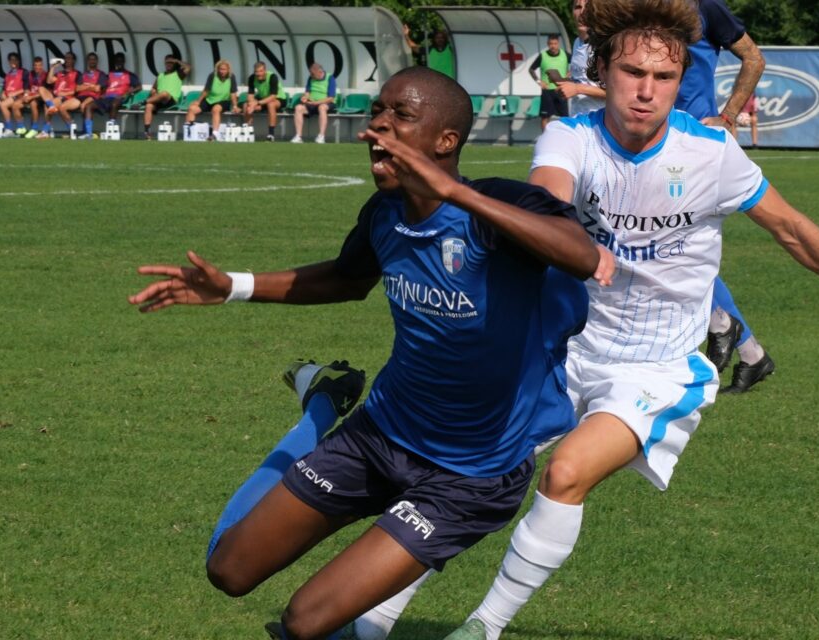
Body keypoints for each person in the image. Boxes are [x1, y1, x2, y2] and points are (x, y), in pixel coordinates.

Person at [344, 2, 819, 639]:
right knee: (466, 476)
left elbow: (790, 229)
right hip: (559, 353)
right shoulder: (571, 138)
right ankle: (375, 617)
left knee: (565, 472)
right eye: (631, 72)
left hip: (657, 365)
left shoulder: (711, 153)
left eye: (664, 77)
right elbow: (545, 199)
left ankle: (484, 626)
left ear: (680, 81)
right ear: (603, 70)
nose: (646, 90)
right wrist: (557, 234)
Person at [128, 65, 601, 640]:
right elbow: (346, 280)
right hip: (378, 435)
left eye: (401, 114)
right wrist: (235, 286)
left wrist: (455, 192)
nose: (378, 124)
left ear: (445, 142)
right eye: (378, 111)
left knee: (306, 623)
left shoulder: (499, 207)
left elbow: (581, 256)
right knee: (228, 570)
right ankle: (322, 407)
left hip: (467, 478)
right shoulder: (385, 216)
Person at [675, 0, 774, 393]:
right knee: (671, 245)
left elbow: (754, 57)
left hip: (693, 143)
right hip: (646, 140)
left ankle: (724, 331)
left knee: (672, 245)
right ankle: (750, 352)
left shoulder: (705, 8)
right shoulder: (635, 7)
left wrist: (729, 116)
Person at [557, 0, 606, 117]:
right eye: (578, 7)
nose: (582, 12)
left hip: (599, 122)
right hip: (576, 116)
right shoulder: (576, 42)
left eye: (588, 7)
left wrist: (577, 89)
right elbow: (581, 80)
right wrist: (563, 83)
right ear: (572, 12)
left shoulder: (604, 45)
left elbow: (615, 94)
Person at [186, 59, 239, 141]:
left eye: (224, 69)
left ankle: (214, 134)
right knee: (192, 109)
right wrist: (198, 101)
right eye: (220, 69)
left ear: (228, 70)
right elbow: (206, 90)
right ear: (217, 69)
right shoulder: (212, 75)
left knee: (216, 109)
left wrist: (235, 106)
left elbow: (233, 93)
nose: (222, 71)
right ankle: (189, 133)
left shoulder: (231, 77)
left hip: (224, 101)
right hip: (210, 100)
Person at [144, 55, 191, 140]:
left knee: (164, 93)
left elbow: (188, 67)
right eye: (167, 62)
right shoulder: (160, 75)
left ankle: (143, 102)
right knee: (149, 106)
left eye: (171, 63)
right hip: (159, 100)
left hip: (171, 100)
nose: (169, 64)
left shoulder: (178, 73)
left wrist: (177, 60)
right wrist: (152, 93)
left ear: (174, 64)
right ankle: (147, 131)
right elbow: (154, 88)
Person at [529, 34, 570, 129]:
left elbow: (576, 63)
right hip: (547, 91)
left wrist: (570, 74)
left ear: (558, 44)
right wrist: (539, 81)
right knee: (545, 117)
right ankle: (545, 139)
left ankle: (564, 140)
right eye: (551, 43)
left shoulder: (565, 54)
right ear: (548, 44)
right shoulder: (542, 56)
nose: (553, 46)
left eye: (555, 43)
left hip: (561, 90)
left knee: (565, 118)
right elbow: (531, 69)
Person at [38, 52, 83, 139]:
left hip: (68, 98)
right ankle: (51, 107)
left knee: (48, 106)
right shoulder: (60, 73)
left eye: (69, 58)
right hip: (56, 97)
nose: (67, 60)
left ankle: (45, 131)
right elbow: (49, 81)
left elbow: (77, 90)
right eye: (66, 58)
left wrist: (64, 93)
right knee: (41, 89)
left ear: (74, 60)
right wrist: (52, 68)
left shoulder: (77, 73)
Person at [291, 62, 336, 144]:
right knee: (298, 108)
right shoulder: (310, 78)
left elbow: (331, 98)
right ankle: (298, 136)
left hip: (326, 103)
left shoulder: (330, 78)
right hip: (312, 103)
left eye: (313, 74)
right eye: (310, 74)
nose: (311, 76)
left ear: (320, 72)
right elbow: (307, 92)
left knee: (322, 107)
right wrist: (305, 97)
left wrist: (316, 103)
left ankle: (321, 136)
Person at [90, 53, 139, 125]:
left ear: (124, 62)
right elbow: (104, 86)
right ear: (114, 62)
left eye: (120, 61)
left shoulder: (129, 75)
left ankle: (111, 126)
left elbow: (139, 86)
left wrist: (128, 93)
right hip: (107, 97)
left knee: (114, 104)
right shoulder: (110, 74)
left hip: (120, 97)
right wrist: (102, 94)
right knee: (89, 106)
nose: (119, 63)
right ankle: (88, 132)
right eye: (117, 61)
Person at [243, 61, 283, 141]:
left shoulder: (272, 77)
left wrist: (256, 103)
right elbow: (250, 95)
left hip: (278, 99)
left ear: (265, 71)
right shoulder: (252, 78)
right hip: (263, 100)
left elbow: (273, 96)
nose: (258, 74)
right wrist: (251, 105)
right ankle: (248, 132)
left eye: (261, 71)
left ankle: (271, 135)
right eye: (256, 72)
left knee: (270, 104)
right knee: (246, 105)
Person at [0, 53, 31, 138]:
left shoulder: (24, 72)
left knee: (3, 105)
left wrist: (15, 93)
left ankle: (9, 129)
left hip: (18, 96)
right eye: (11, 60)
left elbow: (26, 88)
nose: (13, 62)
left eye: (15, 60)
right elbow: (4, 87)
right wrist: (3, 93)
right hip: (9, 97)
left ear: (18, 61)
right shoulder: (8, 74)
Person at [74, 52, 107, 140]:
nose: (92, 61)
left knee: (87, 106)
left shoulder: (101, 74)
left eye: (94, 59)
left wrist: (84, 87)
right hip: (80, 97)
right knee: (62, 107)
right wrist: (91, 86)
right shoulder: (83, 74)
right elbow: (77, 89)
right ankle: (72, 131)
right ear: (87, 61)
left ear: (97, 61)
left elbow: (97, 89)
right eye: (90, 59)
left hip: (94, 98)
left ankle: (88, 133)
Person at [20, 57, 48, 138]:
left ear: (42, 66)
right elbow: (26, 88)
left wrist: (31, 97)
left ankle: (34, 128)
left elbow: (45, 92)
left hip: (42, 98)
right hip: (32, 97)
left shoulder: (45, 75)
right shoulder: (30, 74)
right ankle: (20, 128)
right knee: (16, 105)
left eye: (39, 65)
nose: (37, 67)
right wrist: (26, 95)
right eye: (35, 65)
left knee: (33, 103)